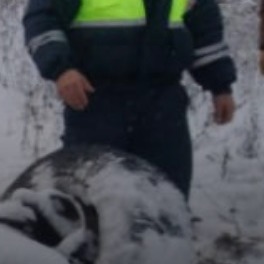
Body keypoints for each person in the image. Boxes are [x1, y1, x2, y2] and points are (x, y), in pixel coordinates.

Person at [24, 0, 237, 198]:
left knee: (167, 198)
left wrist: (220, 86)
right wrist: (61, 69)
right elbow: (43, 19)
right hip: (96, 102)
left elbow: (204, 30)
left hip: (163, 103)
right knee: (91, 196)